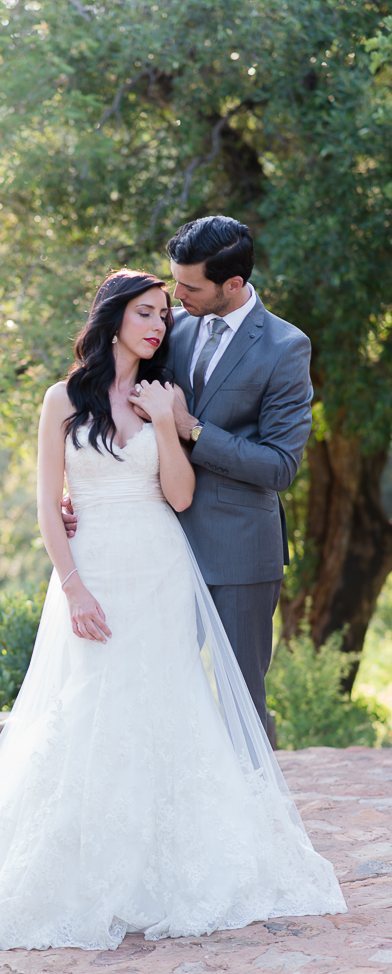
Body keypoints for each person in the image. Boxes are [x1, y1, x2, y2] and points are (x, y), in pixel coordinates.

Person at [0, 270, 345, 951]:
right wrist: (74, 586)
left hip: (159, 566)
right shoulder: (61, 399)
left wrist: (169, 423)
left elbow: (177, 495)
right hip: (92, 574)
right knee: (84, 705)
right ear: (114, 317)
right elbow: (47, 504)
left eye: (165, 316)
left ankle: (164, 860)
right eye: (146, 312)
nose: (158, 326)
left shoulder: (159, 395)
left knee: (163, 702)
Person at [63, 216, 311, 731]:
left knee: (240, 697)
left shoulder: (285, 349)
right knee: (150, 684)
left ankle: (256, 808)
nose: (176, 296)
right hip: (155, 549)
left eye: (190, 286)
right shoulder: (170, 330)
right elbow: (116, 409)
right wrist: (86, 492)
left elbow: (279, 466)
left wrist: (192, 428)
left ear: (233, 285)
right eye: (174, 281)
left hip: (238, 551)